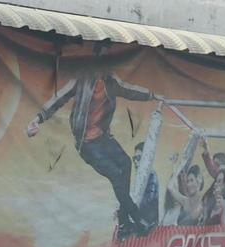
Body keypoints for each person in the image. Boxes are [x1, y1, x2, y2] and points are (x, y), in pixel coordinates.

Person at [26, 64, 162, 236]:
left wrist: (152, 95)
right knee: (115, 174)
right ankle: (137, 219)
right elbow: (60, 98)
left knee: (126, 163)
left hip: (103, 138)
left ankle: (124, 222)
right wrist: (39, 118)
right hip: (87, 144)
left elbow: (130, 90)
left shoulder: (111, 82)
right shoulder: (81, 80)